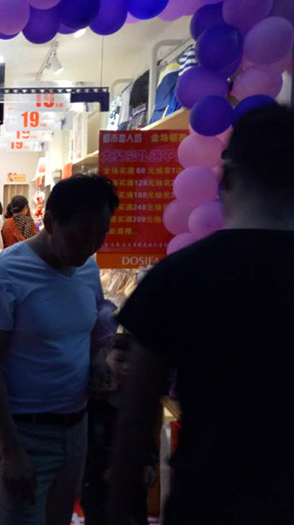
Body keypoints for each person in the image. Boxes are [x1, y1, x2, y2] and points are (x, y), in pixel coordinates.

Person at [109, 105, 294, 525]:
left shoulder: (176, 276)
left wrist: (121, 505)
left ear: (225, 177)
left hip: (207, 499)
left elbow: (136, 414)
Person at [0, 175, 119, 525]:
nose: (91, 247)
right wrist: (11, 450)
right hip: (24, 433)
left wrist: (100, 361)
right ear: (50, 222)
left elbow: (90, 331)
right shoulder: (2, 275)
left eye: (100, 236)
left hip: (76, 427)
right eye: (82, 235)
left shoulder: (87, 267)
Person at [81, 333, 157, 525]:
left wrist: (149, 465)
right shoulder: (92, 406)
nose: (126, 367)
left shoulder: (138, 406)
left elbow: (147, 441)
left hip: (134, 488)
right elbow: (86, 448)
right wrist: (102, 470)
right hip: (98, 488)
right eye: (119, 360)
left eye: (132, 362)